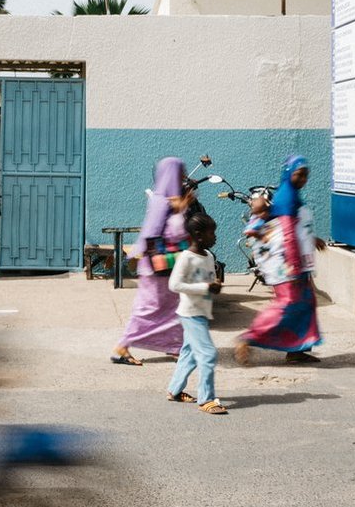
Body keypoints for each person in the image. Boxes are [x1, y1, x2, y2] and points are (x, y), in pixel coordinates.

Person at [235, 155, 326, 366]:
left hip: (298, 262)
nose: (303, 179)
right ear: (288, 173)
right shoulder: (287, 198)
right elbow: (286, 235)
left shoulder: (292, 196)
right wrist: (293, 265)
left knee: (306, 304)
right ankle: (249, 338)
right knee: (287, 304)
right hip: (288, 264)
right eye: (298, 174)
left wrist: (312, 239)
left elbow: (297, 229)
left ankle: (297, 349)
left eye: (306, 175)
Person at [111, 157, 193, 366]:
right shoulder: (161, 201)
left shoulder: (169, 199)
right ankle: (122, 347)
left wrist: (180, 207)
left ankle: (174, 346)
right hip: (157, 265)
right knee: (149, 308)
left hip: (166, 265)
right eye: (180, 172)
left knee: (172, 306)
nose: (183, 176)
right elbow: (153, 232)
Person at [165, 213, 227, 415]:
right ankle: (206, 399)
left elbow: (209, 282)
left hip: (202, 312)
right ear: (198, 235)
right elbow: (174, 285)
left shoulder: (208, 256)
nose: (216, 236)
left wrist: (214, 286)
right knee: (208, 354)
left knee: (189, 355)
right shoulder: (186, 258)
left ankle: (174, 391)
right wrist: (205, 288)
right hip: (191, 314)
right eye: (212, 233)